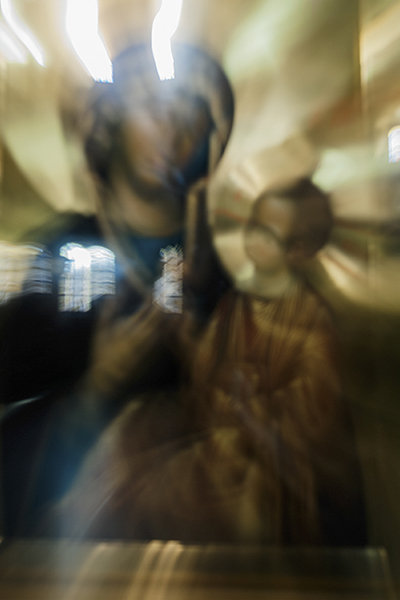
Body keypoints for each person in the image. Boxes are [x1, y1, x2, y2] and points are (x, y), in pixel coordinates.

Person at [45, 178, 367, 545]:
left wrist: (246, 412)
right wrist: (186, 339)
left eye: (268, 235)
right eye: (253, 226)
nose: (253, 240)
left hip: (264, 469)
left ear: (300, 251)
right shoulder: (237, 304)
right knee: (134, 429)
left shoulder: (313, 324)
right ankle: (68, 532)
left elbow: (312, 418)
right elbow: (208, 367)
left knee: (161, 492)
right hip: (216, 436)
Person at [0, 42, 234, 535]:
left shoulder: (219, 269)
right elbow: (12, 428)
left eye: (189, 112)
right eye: (151, 108)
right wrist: (98, 389)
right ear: (112, 126)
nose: (172, 129)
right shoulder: (63, 253)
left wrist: (202, 371)